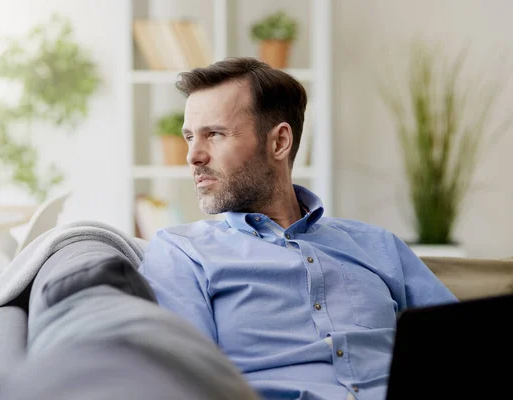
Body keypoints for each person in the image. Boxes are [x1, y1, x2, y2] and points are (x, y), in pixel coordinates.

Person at [138, 57, 457, 400]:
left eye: (214, 134)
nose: (193, 156)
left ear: (279, 142)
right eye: (189, 137)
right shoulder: (181, 253)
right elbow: (179, 381)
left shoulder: (377, 245)